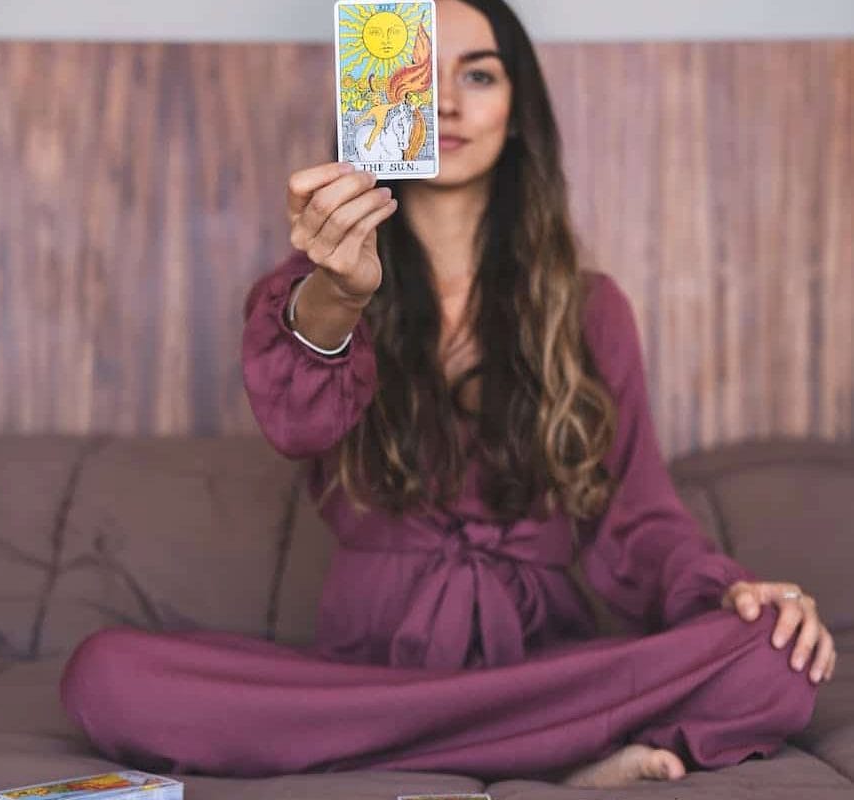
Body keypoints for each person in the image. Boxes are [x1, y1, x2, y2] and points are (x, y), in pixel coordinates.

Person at [60, 0, 836, 787]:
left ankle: (476, 742)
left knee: (776, 653)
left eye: (479, 74)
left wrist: (730, 591)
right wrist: (340, 293)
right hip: (364, 679)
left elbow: (636, 524)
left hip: (542, 673)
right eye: (419, 73)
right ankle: (558, 758)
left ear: (517, 107)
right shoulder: (313, 286)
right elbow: (299, 420)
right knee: (107, 678)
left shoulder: (590, 307)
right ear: (373, 97)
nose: (447, 101)